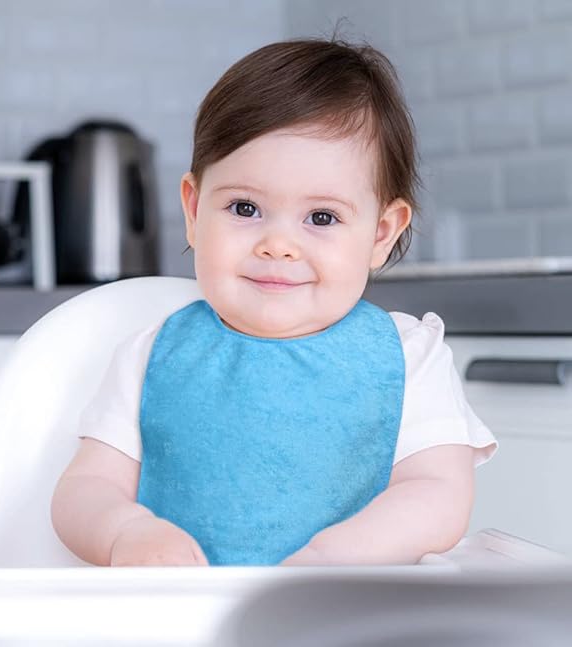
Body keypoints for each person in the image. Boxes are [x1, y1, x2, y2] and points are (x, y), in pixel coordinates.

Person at [51, 37, 498, 567]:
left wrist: (335, 557)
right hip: (181, 608)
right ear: (194, 211)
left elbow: (438, 493)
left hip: (346, 608)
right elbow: (86, 489)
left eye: (322, 217)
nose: (278, 245)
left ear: (381, 233)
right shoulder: (151, 356)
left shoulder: (408, 357)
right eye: (245, 208)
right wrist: (125, 531)